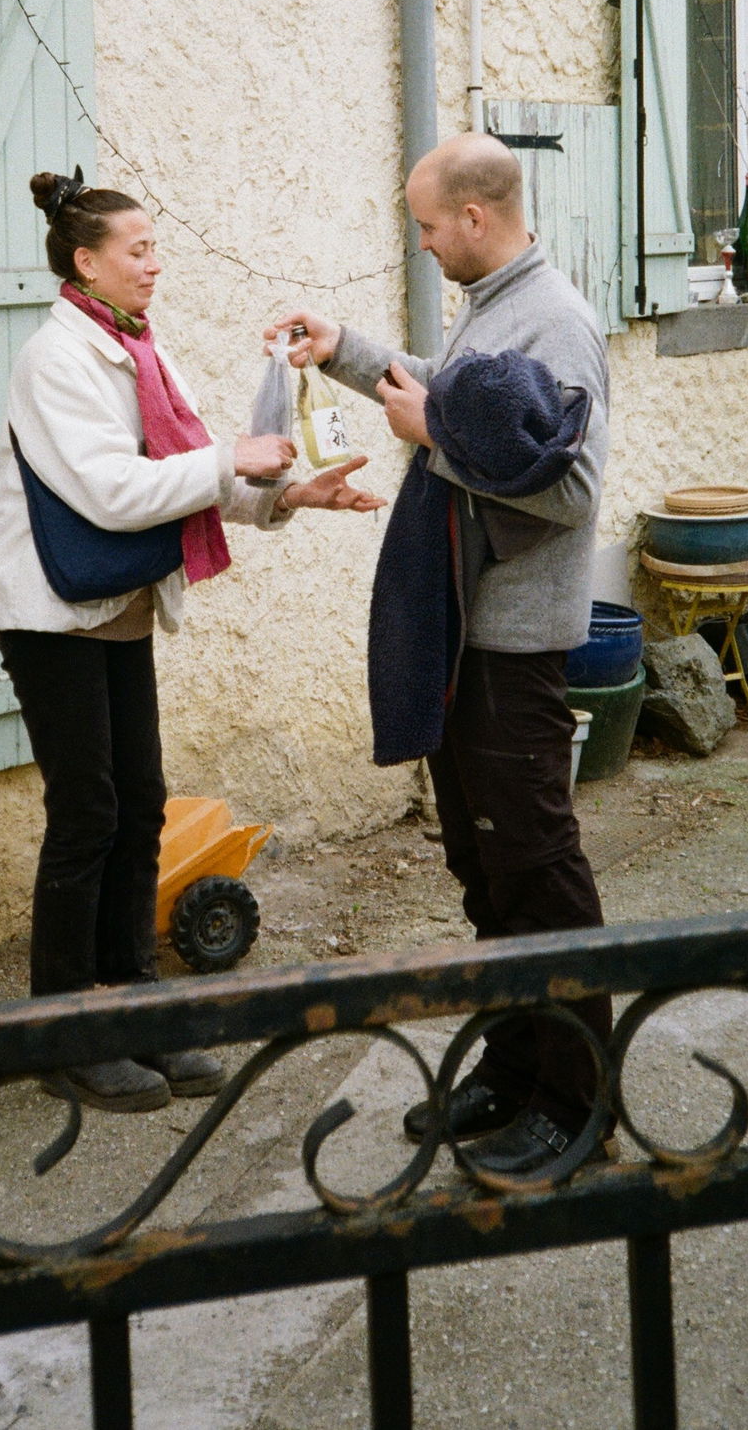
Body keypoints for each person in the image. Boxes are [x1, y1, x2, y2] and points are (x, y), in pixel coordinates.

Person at [0, 171, 383, 1114]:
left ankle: (131, 1001)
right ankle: (62, 1033)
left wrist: (291, 496)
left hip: (115, 605)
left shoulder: (136, 350)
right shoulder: (57, 358)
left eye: (156, 245)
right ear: (86, 261)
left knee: (141, 802)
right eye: (139, 248)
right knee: (87, 812)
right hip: (52, 616)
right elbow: (114, 492)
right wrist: (228, 462)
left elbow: (195, 475)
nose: (156, 263)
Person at [279, 132, 612, 1178]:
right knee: (484, 868)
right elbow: (452, 398)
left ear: (474, 217)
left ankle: (577, 1103)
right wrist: (345, 349)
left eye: (426, 225)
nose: (420, 243)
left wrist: (439, 439)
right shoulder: (493, 304)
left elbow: (570, 490)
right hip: (468, 640)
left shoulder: (557, 322)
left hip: (513, 648)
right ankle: (517, 1068)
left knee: (537, 874)